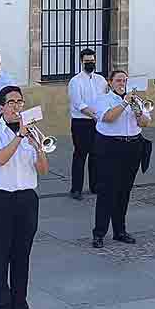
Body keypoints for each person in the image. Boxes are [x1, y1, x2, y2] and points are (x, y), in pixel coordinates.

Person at [0, 85, 49, 309]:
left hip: (27, 199)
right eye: (11, 103)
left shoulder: (32, 131)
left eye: (19, 102)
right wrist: (19, 136)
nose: (16, 107)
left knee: (22, 255)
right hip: (0, 200)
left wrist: (38, 147)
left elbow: (43, 170)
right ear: (1, 107)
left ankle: (19, 305)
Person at [91, 70, 151, 248]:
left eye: (124, 80)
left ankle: (120, 231)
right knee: (106, 191)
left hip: (132, 146)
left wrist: (138, 111)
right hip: (110, 146)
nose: (122, 83)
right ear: (110, 83)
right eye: (118, 80)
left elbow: (145, 123)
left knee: (124, 191)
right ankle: (99, 233)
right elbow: (108, 118)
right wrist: (125, 103)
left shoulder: (135, 100)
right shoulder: (103, 99)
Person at [67, 48, 107, 200]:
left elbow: (106, 98)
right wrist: (94, 115)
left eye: (92, 61)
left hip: (98, 122)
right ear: (81, 62)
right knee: (80, 155)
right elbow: (78, 104)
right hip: (81, 123)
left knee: (96, 155)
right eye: (87, 61)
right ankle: (76, 189)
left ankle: (94, 186)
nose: (90, 63)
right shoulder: (75, 81)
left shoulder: (101, 80)